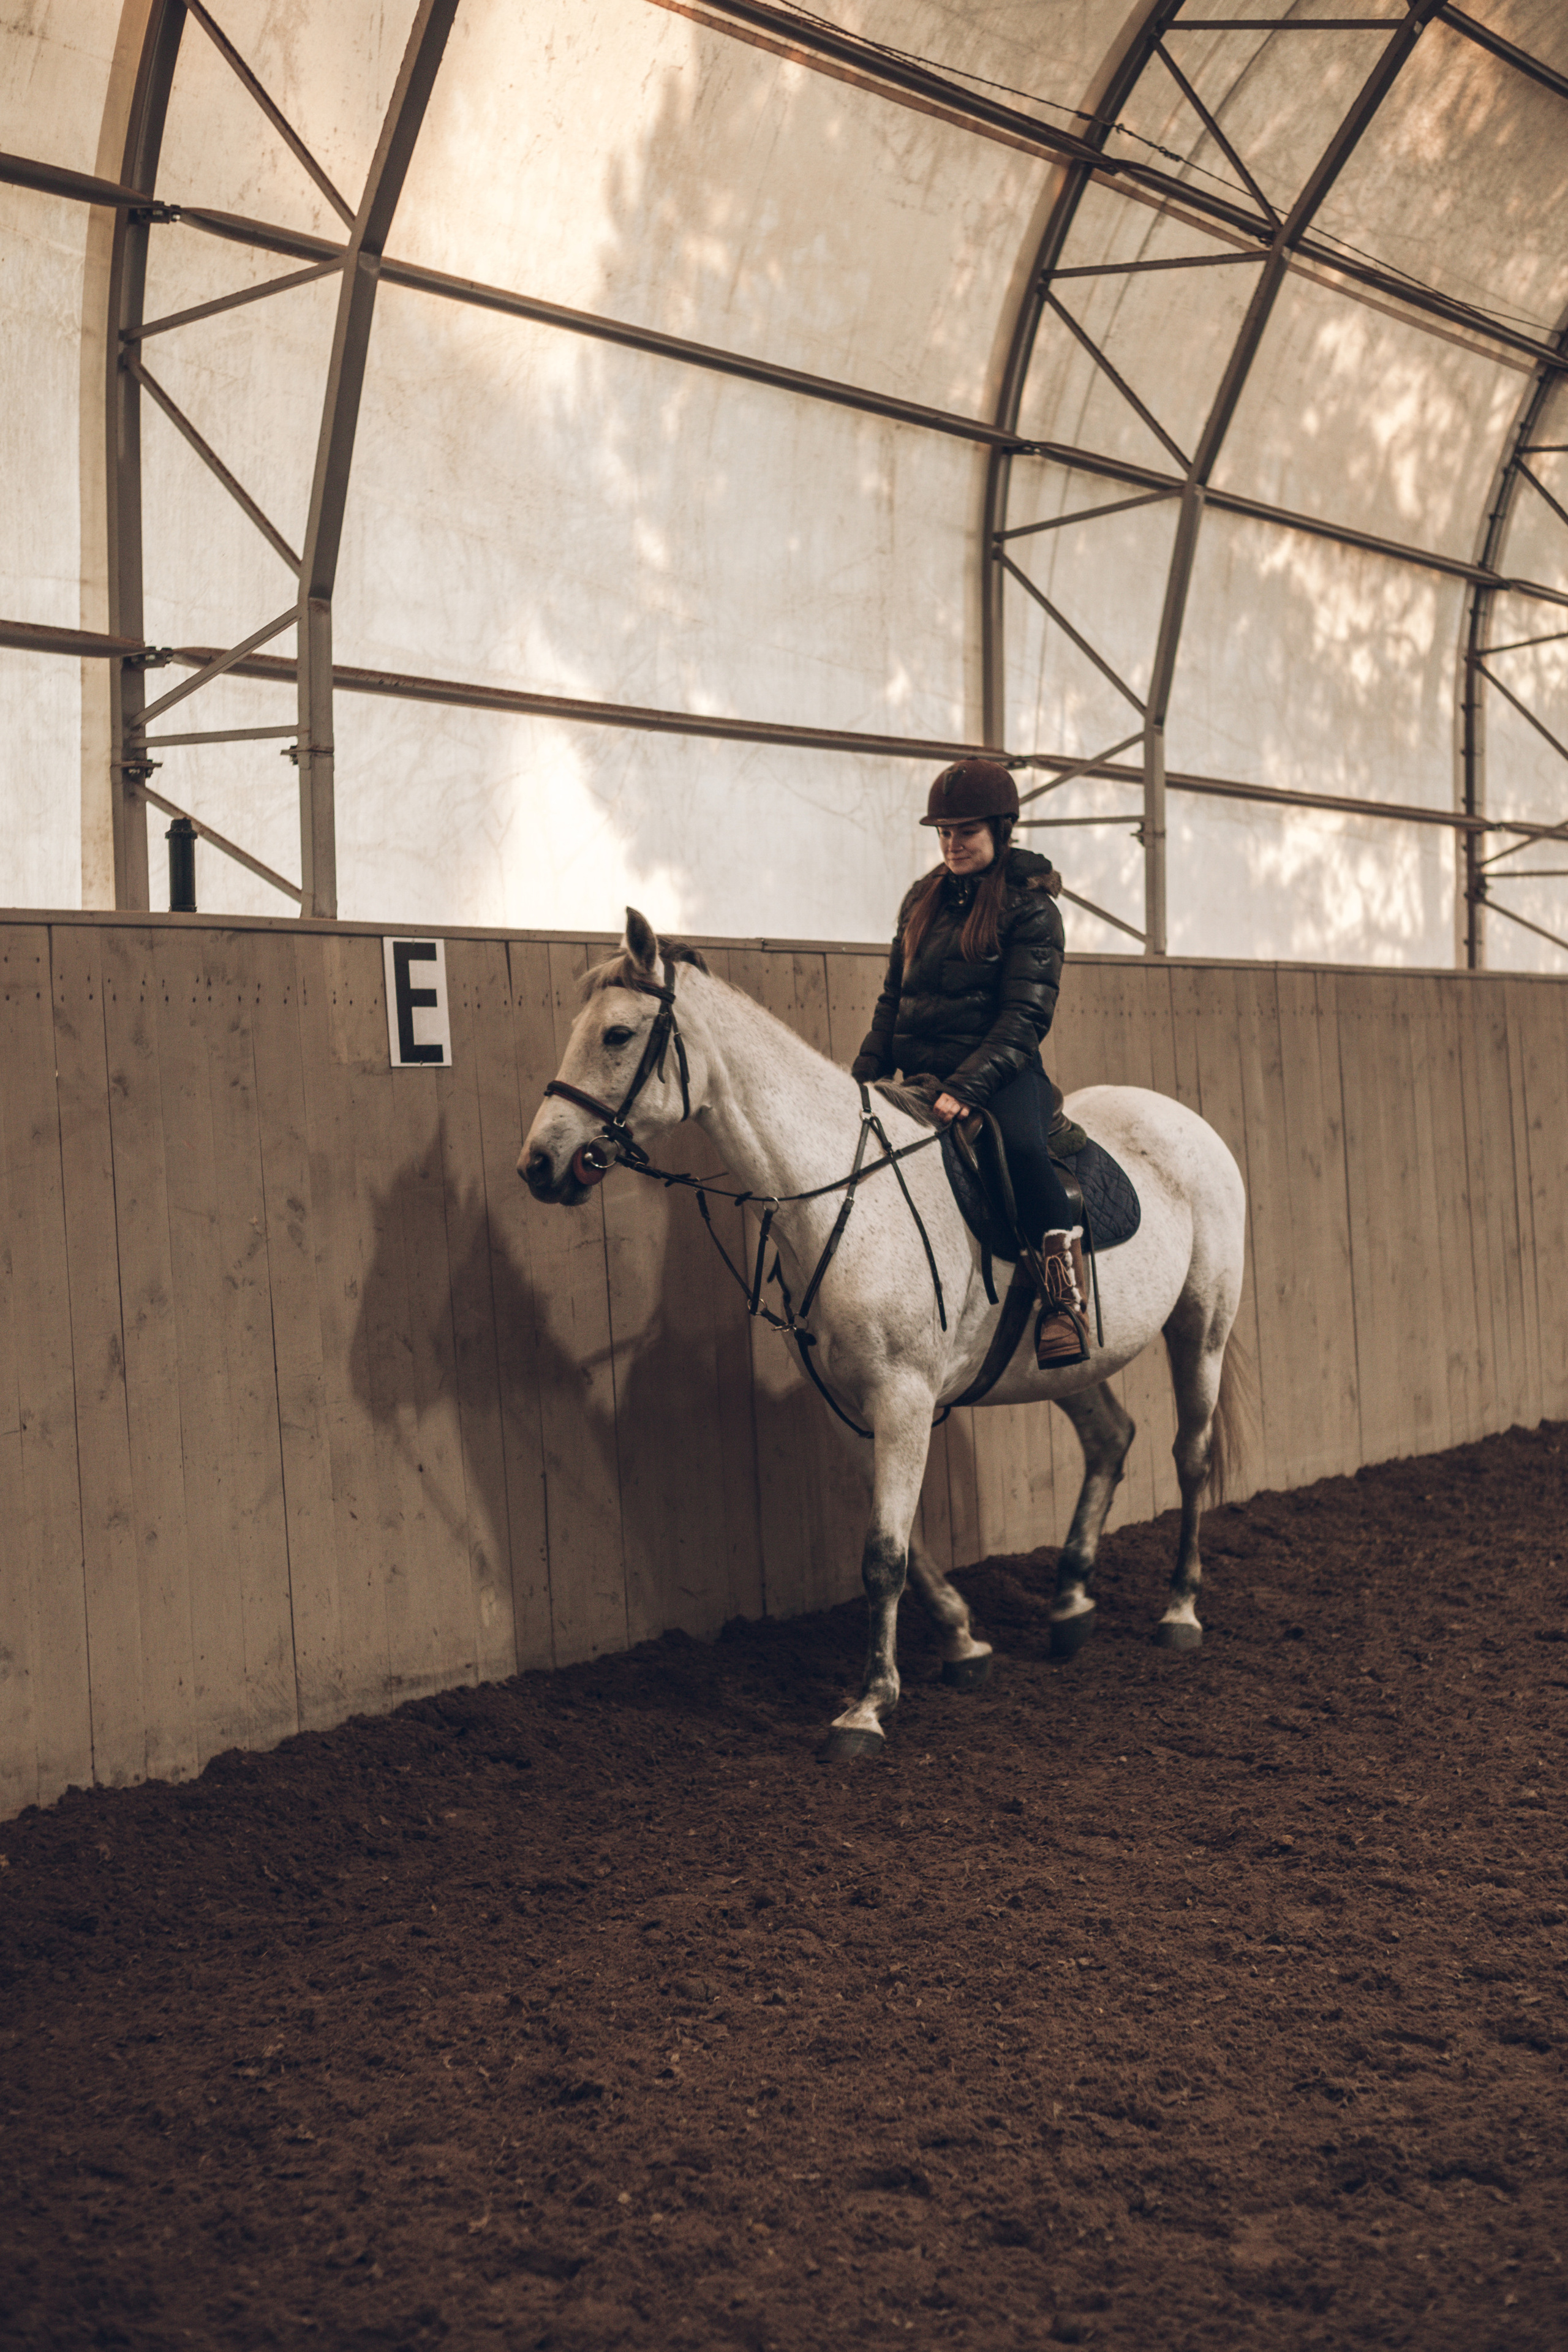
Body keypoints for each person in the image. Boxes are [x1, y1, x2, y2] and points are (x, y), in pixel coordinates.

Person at [850, 758, 1089, 1366]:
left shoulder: (1032, 911)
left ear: (1000, 830)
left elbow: (1023, 1019)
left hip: (1001, 1075)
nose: (952, 844)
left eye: (966, 831)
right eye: (944, 832)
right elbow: (892, 997)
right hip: (922, 1077)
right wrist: (867, 1066)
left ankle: (1063, 1302)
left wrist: (968, 1084)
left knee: (1027, 1151)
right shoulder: (921, 900)